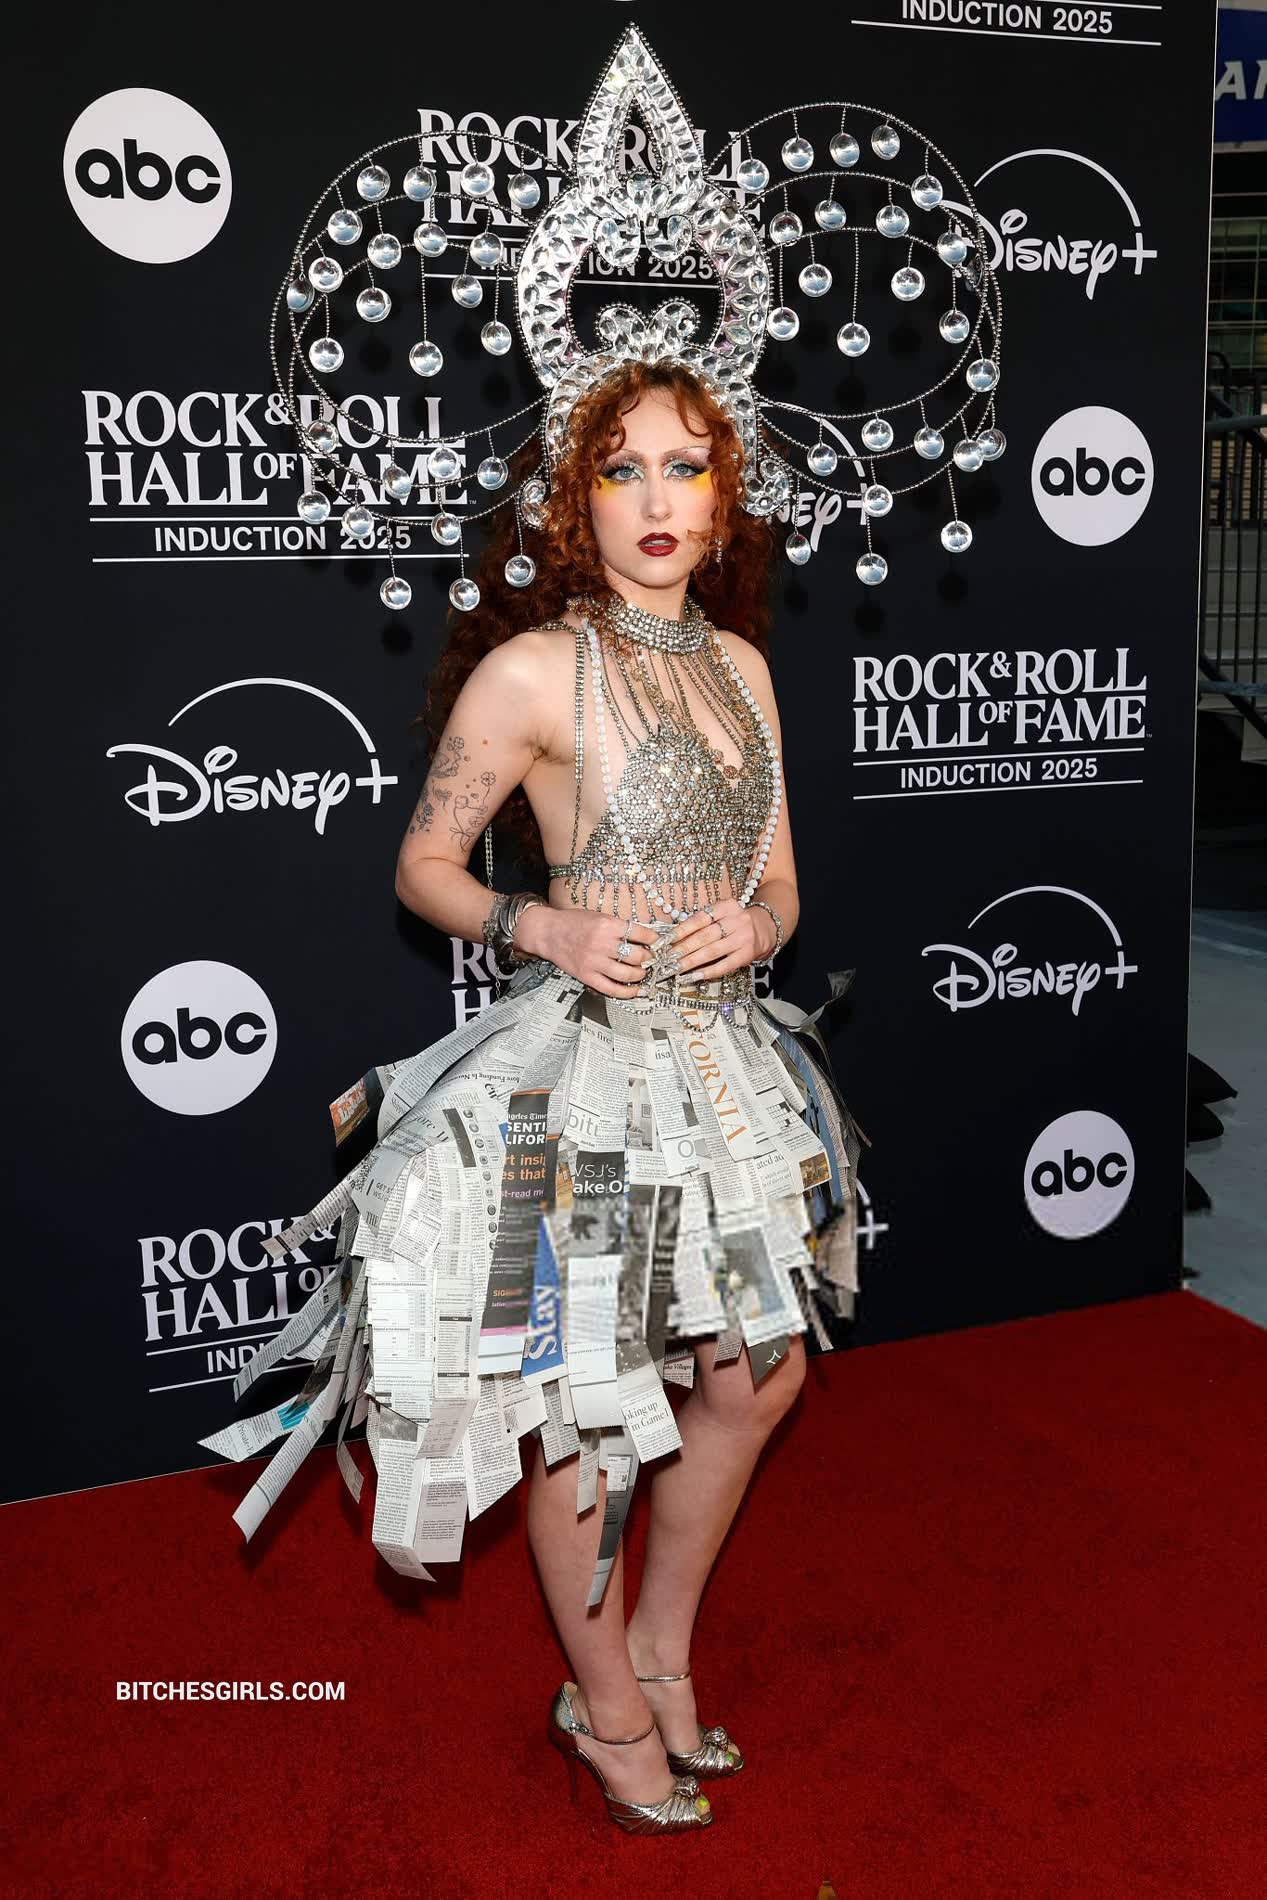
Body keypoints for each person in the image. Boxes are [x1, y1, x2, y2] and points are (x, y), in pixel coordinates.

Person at [205, 356, 863, 1836]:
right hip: (587, 1079)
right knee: (589, 1405)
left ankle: (660, 1648)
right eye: (621, 470)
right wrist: (544, 926)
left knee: (757, 1375)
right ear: (577, 502)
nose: (656, 498)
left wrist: (758, 926)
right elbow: (423, 869)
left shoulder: (743, 666)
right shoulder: (532, 672)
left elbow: (782, 883)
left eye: (686, 467)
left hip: (727, 1068)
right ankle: (608, 1706)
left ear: (725, 498)